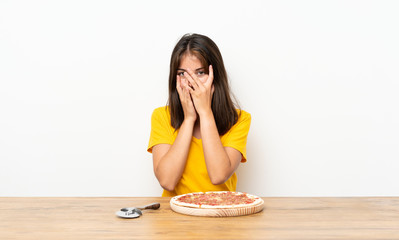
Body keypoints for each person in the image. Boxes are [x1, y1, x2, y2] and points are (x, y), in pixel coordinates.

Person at [147, 33, 251, 197]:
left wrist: (205, 113)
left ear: (215, 78)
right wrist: (189, 119)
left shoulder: (239, 120)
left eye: (200, 72)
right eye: (182, 74)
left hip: (219, 214)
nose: (190, 82)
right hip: (173, 217)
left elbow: (218, 175)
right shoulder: (162, 116)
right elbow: (167, 181)